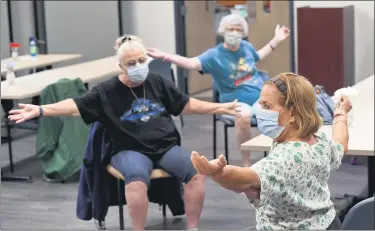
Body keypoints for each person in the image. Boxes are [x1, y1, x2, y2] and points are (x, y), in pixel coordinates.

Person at [8, 35, 241, 230]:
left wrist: (219, 107)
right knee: (137, 181)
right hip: (128, 150)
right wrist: (40, 109)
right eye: (131, 63)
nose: (138, 66)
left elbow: (186, 105)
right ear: (121, 66)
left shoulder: (157, 82)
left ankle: (193, 227)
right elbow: (76, 105)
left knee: (197, 172)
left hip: (165, 147)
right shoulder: (107, 90)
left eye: (141, 60)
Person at [190, 73, 352, 230]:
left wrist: (217, 172)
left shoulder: (284, 160)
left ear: (293, 113)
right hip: (328, 223)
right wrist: (341, 113)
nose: (260, 111)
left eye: (267, 106)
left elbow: (243, 179)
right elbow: (340, 144)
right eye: (260, 104)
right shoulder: (319, 142)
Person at [148, 13, 290, 167]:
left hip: (259, 98)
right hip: (234, 102)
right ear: (223, 31)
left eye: (238, 29)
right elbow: (191, 63)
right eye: (231, 29)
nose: (235, 32)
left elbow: (258, 56)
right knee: (244, 115)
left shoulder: (246, 47)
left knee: (280, 110)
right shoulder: (214, 55)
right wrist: (166, 57)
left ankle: (276, 159)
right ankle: (247, 164)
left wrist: (277, 40)